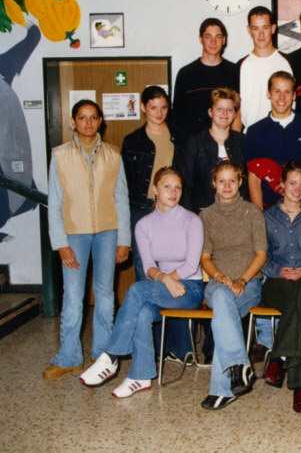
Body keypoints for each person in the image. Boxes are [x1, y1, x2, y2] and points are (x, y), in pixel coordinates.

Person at [77, 167, 204, 397]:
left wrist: (168, 279)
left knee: (137, 290)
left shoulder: (192, 220)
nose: (173, 192)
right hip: (163, 287)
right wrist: (164, 279)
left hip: (189, 289)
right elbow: (148, 267)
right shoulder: (144, 225)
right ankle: (141, 375)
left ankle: (111, 356)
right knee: (143, 312)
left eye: (178, 187)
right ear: (155, 189)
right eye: (167, 186)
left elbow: (191, 266)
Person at [43, 99, 130, 378]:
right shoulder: (59, 155)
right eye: (82, 117)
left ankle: (103, 354)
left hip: (108, 231)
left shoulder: (113, 154)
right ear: (73, 122)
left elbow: (121, 198)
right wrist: (61, 244)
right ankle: (69, 356)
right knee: (73, 295)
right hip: (74, 234)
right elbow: (54, 203)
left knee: (105, 294)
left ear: (100, 121)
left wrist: (123, 239)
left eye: (93, 117)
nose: (88, 123)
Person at [198, 160, 267, 410]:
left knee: (222, 316)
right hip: (218, 283)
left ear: (240, 182)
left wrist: (242, 280)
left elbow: (261, 254)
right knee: (222, 301)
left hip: (249, 284)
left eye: (232, 181)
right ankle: (238, 366)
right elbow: (205, 258)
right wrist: (220, 277)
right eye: (221, 181)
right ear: (213, 183)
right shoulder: (205, 216)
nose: (227, 186)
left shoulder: (252, 212)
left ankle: (223, 389)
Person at [260, 161, 301, 413]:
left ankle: (279, 357)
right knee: (300, 301)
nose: (297, 189)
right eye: (292, 183)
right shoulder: (266, 217)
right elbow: (260, 255)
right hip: (277, 283)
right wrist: (278, 270)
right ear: (282, 184)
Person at [122, 86, 181, 281]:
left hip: (172, 207)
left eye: (163, 107)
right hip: (142, 207)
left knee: (173, 258)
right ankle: (146, 299)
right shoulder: (132, 141)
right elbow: (124, 181)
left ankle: (169, 298)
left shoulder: (180, 137)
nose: (159, 113)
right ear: (143, 107)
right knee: (143, 261)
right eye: (153, 107)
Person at [244, 71, 301, 210]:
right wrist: (259, 215)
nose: (282, 97)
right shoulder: (255, 131)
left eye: (287, 92)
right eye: (277, 91)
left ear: (294, 95)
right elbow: (254, 179)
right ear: (268, 93)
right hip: (268, 208)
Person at [179, 88, 248, 213]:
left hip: (238, 212)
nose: (224, 113)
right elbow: (186, 183)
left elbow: (247, 183)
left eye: (229, 109)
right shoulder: (195, 142)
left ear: (234, 114)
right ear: (210, 112)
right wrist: (189, 216)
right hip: (204, 212)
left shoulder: (242, 141)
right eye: (219, 108)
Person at [169, 18, 239, 140]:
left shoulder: (235, 72)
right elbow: (177, 116)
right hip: (193, 145)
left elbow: (238, 113)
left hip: (225, 143)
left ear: (224, 40)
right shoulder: (185, 73)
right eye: (208, 36)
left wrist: (234, 143)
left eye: (218, 37)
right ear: (200, 39)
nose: (213, 42)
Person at [237, 6, 294, 132]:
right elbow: (236, 109)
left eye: (265, 28)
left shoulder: (289, 62)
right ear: (249, 30)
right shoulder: (241, 66)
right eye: (255, 28)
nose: (261, 34)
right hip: (251, 136)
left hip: (285, 134)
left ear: (273, 28)